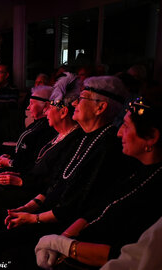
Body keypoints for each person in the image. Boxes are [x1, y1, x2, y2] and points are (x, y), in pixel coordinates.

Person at [0, 76, 130, 269]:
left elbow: (76, 205)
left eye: (83, 98)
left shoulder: (105, 145)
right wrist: (30, 207)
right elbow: (57, 182)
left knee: (1, 231)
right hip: (46, 204)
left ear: (100, 108)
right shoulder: (85, 137)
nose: (75, 102)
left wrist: (35, 217)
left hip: (62, 222)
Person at [0, 74, 81, 264]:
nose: (46, 112)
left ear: (63, 112)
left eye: (50, 108)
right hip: (28, 181)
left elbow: (51, 181)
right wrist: (14, 167)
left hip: (33, 190)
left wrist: (19, 178)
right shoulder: (58, 134)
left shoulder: (68, 138)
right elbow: (36, 163)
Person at [35, 89, 162, 270]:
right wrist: (63, 237)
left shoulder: (155, 190)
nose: (119, 133)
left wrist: (62, 245)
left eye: (126, 126)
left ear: (152, 137)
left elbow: (123, 254)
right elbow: (96, 210)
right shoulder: (136, 169)